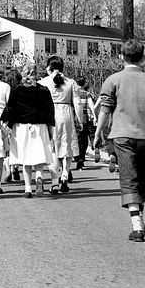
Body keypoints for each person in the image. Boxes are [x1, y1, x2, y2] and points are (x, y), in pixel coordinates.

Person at [94, 38, 145, 242]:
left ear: (121, 57)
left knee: (128, 179)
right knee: (141, 179)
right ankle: (140, 219)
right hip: (144, 137)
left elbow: (105, 110)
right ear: (143, 58)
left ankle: (137, 226)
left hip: (121, 137)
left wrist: (97, 133)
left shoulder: (112, 80)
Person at [1, 68, 56, 197]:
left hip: (21, 126)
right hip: (39, 125)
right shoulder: (44, 90)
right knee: (38, 156)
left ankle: (27, 188)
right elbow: (50, 109)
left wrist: (7, 123)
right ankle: (39, 175)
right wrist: (50, 126)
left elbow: (10, 109)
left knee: (25, 158)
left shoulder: (17, 90)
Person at [39, 56, 83, 194]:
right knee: (67, 146)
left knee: (52, 149)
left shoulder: (43, 82)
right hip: (66, 113)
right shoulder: (71, 82)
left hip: (50, 115)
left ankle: (54, 182)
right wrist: (80, 120)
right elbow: (78, 103)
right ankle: (65, 174)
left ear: (49, 67)